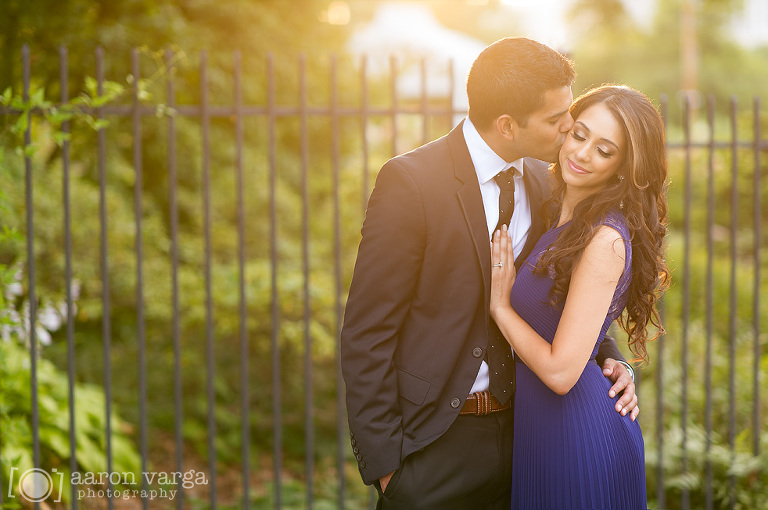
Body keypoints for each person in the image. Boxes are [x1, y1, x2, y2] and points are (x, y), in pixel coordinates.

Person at [340, 38, 638, 510]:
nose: (569, 127)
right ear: (507, 125)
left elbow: (561, 292)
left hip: (532, 440)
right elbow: (366, 331)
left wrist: (609, 358)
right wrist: (388, 471)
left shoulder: (547, 183)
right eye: (556, 118)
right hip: (437, 447)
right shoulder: (411, 182)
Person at [490, 84, 669, 509]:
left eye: (605, 150)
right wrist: (615, 358)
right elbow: (576, 321)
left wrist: (499, 305)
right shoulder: (553, 210)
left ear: (624, 166)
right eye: (580, 134)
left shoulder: (604, 238)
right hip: (541, 432)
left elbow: (560, 372)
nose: (584, 153)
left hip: (578, 439)